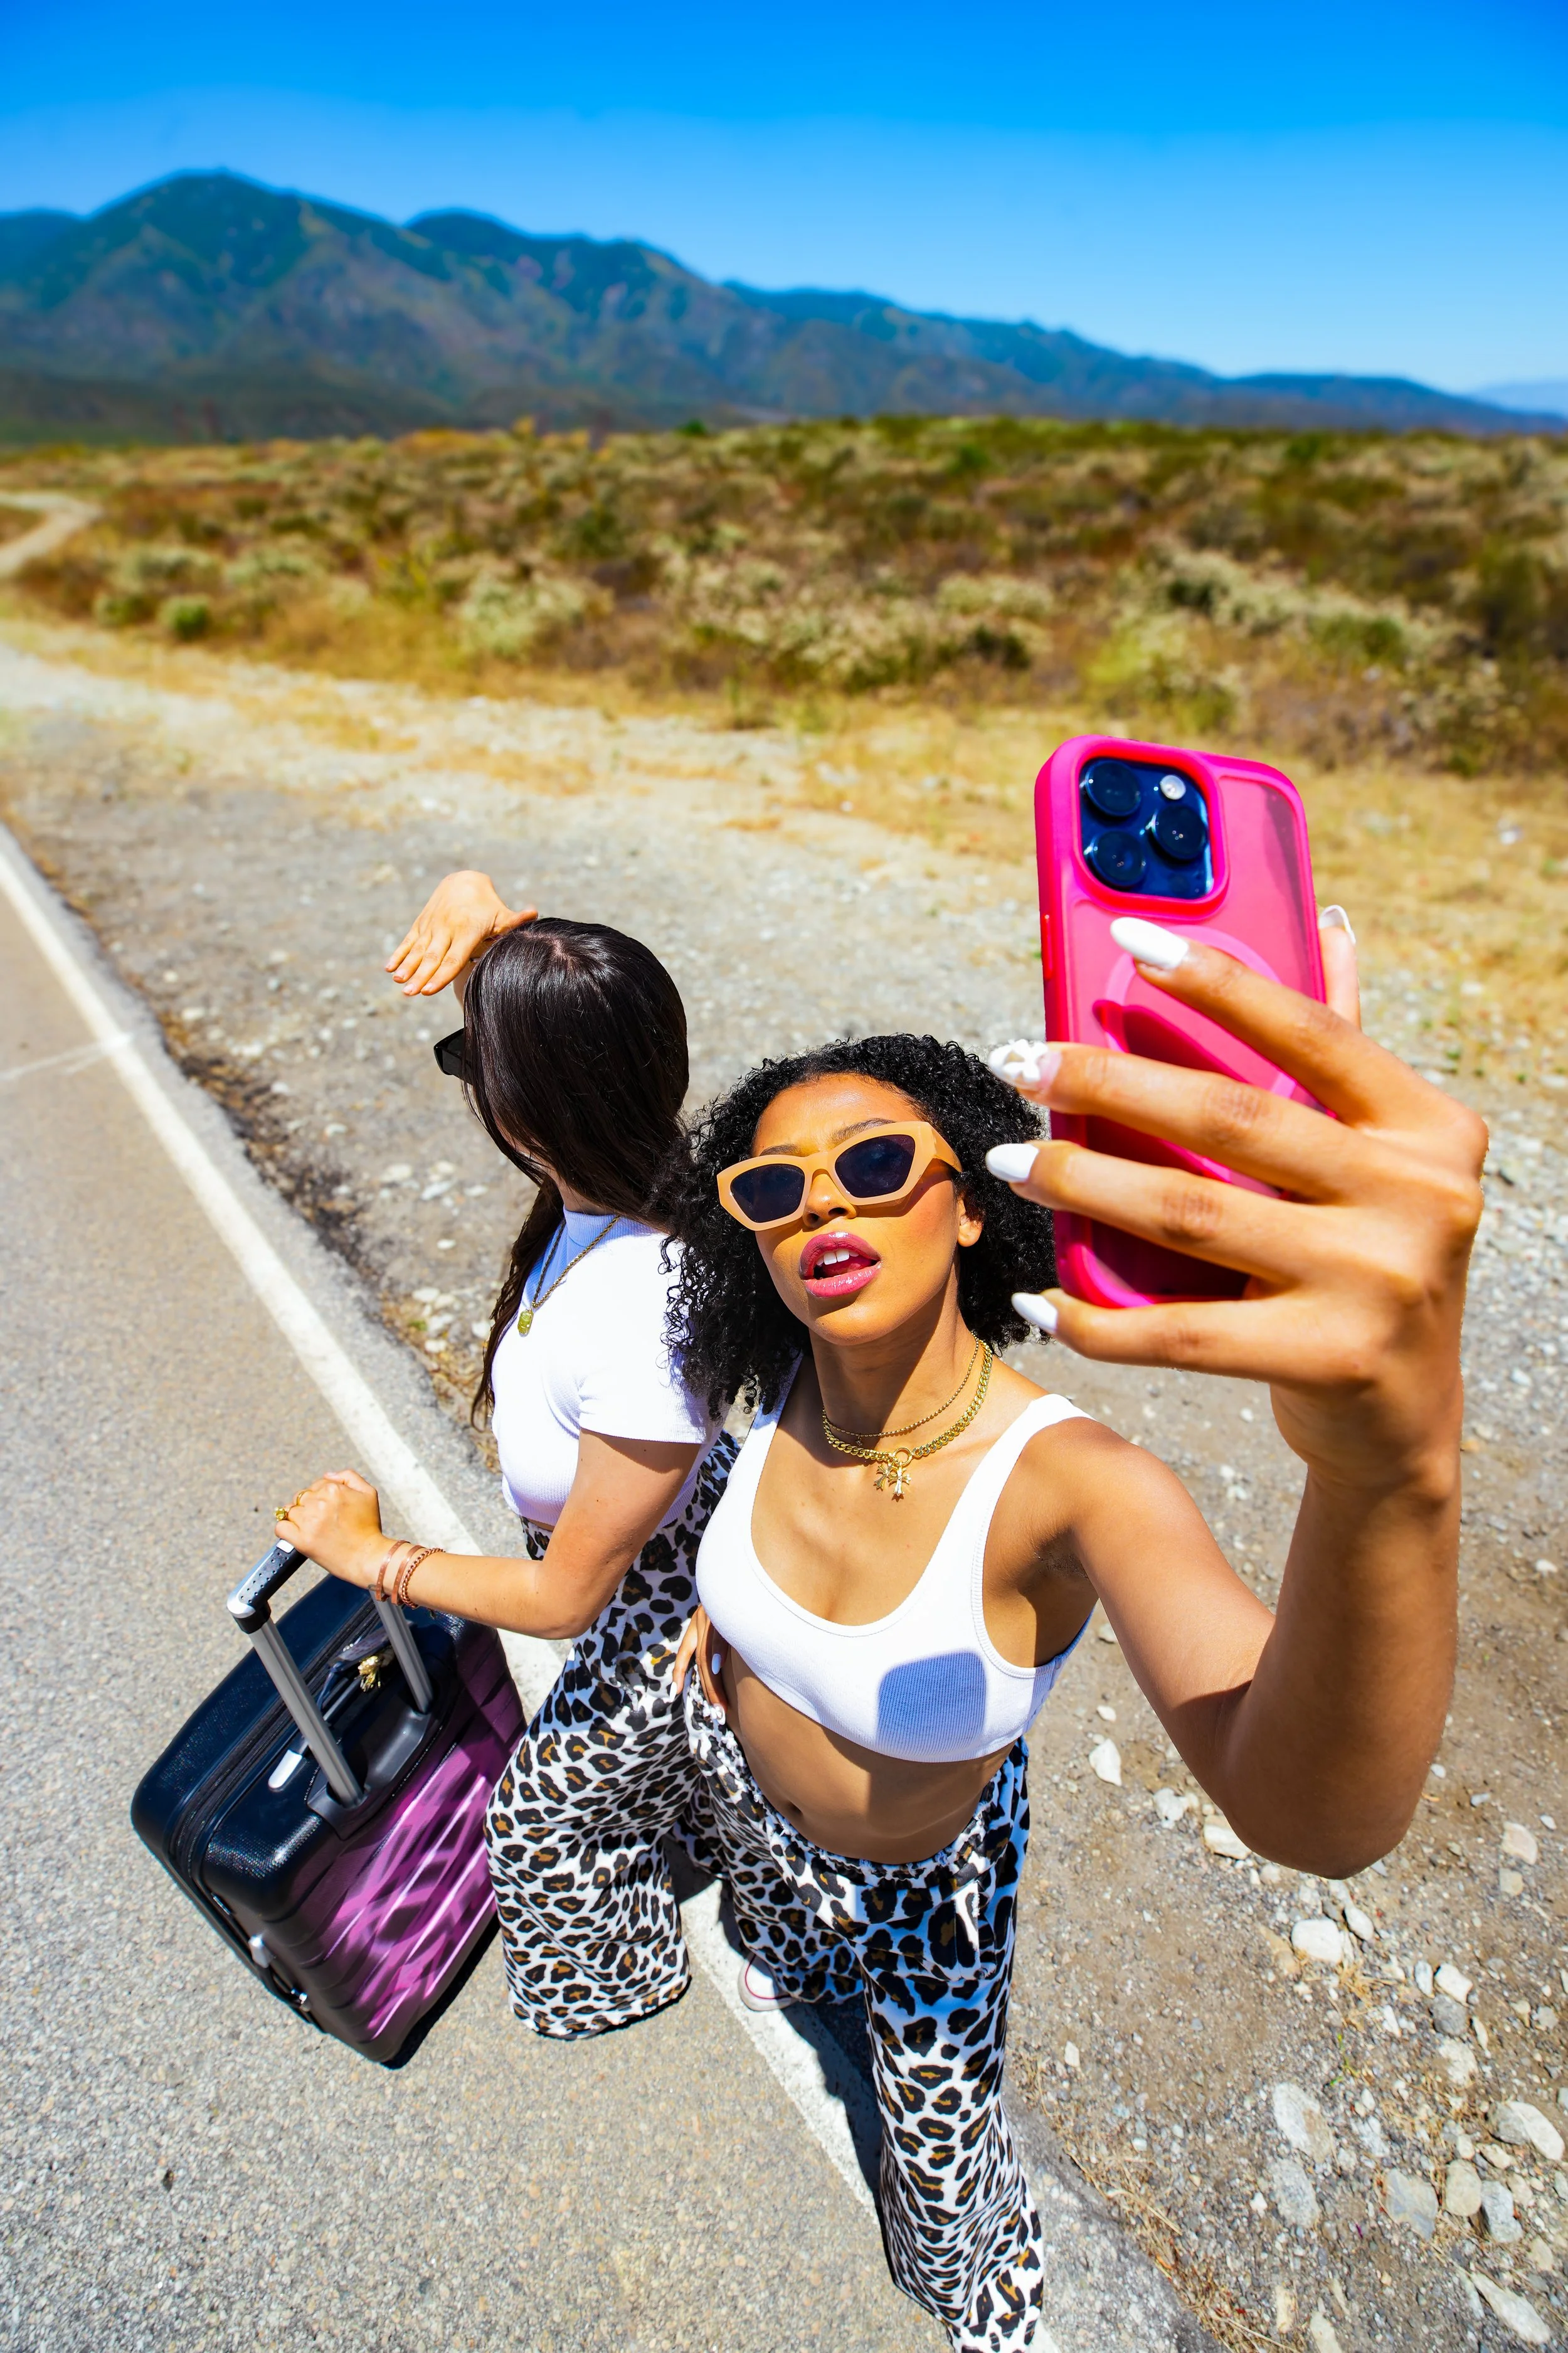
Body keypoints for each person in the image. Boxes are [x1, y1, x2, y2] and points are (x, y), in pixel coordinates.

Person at [663, 915, 1480, 2353]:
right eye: (771, 1191)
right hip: (755, 1825)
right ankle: (788, 1956)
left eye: (867, 1169)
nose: (817, 1212)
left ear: (971, 1205)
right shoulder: (778, 1380)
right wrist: (718, 1637)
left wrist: (1386, 1473)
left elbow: (1314, 1810)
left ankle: (986, 2303)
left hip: (926, 1899)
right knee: (784, 1949)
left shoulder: (1075, 1483)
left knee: (941, 2185)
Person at [276, 876, 736, 2037]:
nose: (463, 1078)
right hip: (660, 1551)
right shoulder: (621, 1181)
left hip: (658, 1612)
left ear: (535, 1109)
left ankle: (624, 1980)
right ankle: (699, 1815)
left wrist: (372, 1556)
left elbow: (561, 1597)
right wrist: (500, 920)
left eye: (468, 1060)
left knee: (532, 1828)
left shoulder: (638, 1303)